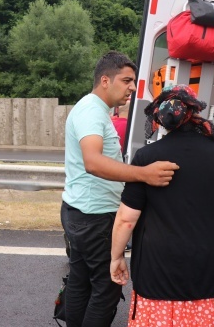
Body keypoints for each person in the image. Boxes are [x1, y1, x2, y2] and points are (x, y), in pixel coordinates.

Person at [61, 51, 179, 327]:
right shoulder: (91, 111)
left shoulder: (92, 108)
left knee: (80, 281)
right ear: (105, 80)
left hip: (80, 212)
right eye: (126, 80)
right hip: (94, 217)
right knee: (107, 287)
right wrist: (144, 174)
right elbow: (93, 162)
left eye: (133, 81)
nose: (131, 87)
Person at [110, 84, 214, 327]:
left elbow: (126, 219)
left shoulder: (148, 157)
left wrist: (116, 256)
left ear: (160, 117)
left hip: (159, 272)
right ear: (196, 112)